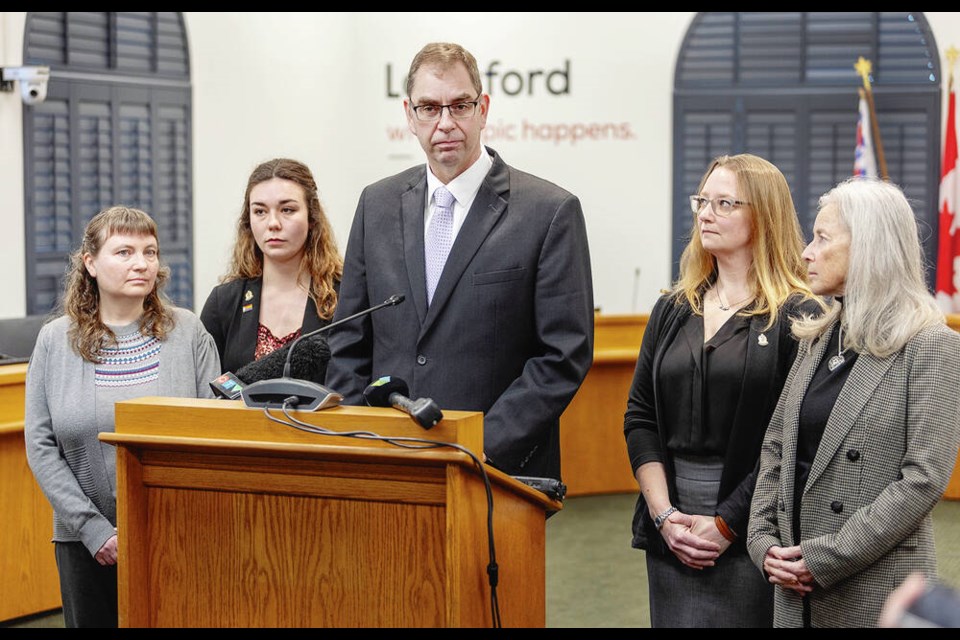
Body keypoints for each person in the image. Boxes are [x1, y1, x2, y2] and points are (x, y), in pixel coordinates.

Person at [324, 42, 594, 481]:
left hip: (496, 472)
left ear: (483, 109)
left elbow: (563, 355)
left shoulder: (549, 211)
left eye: (460, 106)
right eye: (429, 108)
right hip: (388, 464)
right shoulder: (377, 204)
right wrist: (364, 441)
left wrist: (479, 446)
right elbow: (349, 343)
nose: (445, 123)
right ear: (409, 116)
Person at [747, 176, 960, 628]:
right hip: (793, 589)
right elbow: (776, 447)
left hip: (873, 590)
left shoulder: (931, 345)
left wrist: (823, 557)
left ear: (870, 247)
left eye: (822, 238)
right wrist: (763, 542)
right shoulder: (819, 335)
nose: (806, 251)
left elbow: (923, 480)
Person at [622, 153, 821, 627]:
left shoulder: (801, 316)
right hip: (671, 527)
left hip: (753, 530)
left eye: (725, 203)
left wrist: (728, 523)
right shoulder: (672, 309)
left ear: (763, 216)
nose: (706, 214)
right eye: (703, 201)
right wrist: (664, 516)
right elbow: (640, 415)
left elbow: (793, 441)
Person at [24, 205, 221, 628]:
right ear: (90, 263)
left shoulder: (188, 332)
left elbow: (215, 429)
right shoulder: (55, 341)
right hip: (84, 540)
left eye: (150, 252)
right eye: (125, 252)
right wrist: (94, 530)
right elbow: (40, 446)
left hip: (179, 534)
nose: (142, 263)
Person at [201, 158, 342, 383]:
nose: (273, 223)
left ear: (311, 218)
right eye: (260, 211)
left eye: (287, 210)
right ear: (248, 219)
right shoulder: (224, 302)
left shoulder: (344, 296)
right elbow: (206, 395)